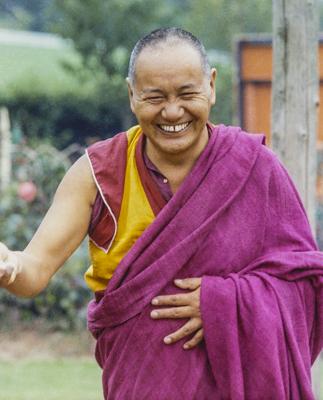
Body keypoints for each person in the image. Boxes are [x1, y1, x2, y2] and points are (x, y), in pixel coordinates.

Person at [0, 27, 322, 399]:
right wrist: (10, 265)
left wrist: (223, 304)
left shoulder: (254, 167)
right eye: (155, 97)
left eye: (187, 94)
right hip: (141, 384)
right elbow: (34, 271)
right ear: (131, 95)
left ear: (212, 86)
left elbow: (305, 285)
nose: (172, 111)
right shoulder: (99, 173)